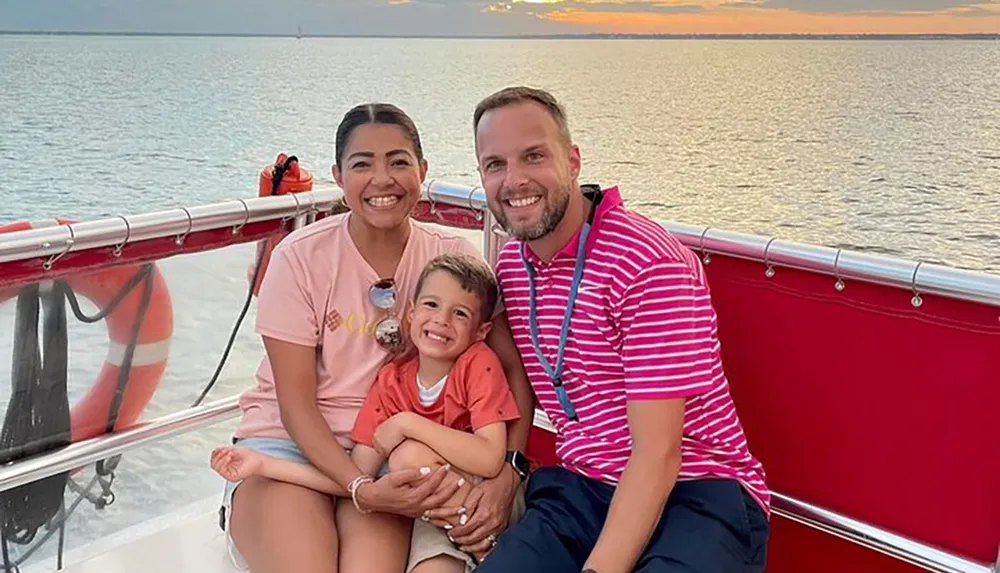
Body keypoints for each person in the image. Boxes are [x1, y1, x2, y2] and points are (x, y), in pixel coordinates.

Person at [431, 86, 772, 572]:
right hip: (584, 487)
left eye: (533, 156)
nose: (515, 180)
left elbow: (659, 454)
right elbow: (517, 373)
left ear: (572, 161)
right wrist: (511, 468)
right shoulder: (512, 264)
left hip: (697, 490)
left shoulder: (645, 262)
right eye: (495, 165)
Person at [221, 102, 534, 573]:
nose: (382, 179)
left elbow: (511, 370)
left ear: (423, 170)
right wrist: (357, 487)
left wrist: (510, 471)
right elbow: (296, 406)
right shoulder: (300, 258)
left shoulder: (450, 258)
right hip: (288, 447)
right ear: (338, 176)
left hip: (387, 454)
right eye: (362, 164)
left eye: (399, 161)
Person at [212, 252, 521, 572]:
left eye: (459, 313)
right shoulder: (393, 382)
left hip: (475, 500)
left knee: (408, 457)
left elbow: (489, 458)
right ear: (411, 314)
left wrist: (407, 423)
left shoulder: (479, 364)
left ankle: (485, 546)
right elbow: (358, 476)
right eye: (431, 306)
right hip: (428, 517)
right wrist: (264, 464)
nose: (441, 320)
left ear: (481, 331)